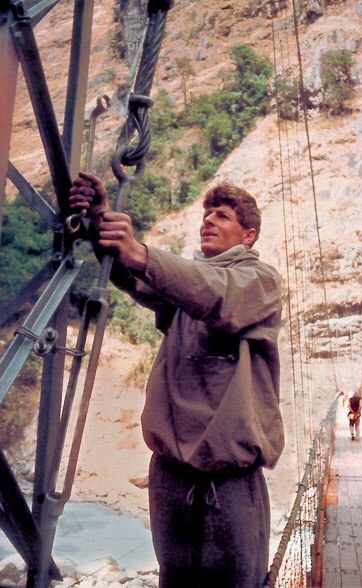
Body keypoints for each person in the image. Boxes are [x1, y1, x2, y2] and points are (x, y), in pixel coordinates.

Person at [69, 172, 285, 588]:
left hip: (230, 482)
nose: (208, 221)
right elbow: (133, 276)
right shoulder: (186, 286)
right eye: (206, 214)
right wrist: (99, 223)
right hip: (171, 477)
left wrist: (140, 252)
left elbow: (215, 295)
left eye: (222, 216)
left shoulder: (260, 284)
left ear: (249, 235)